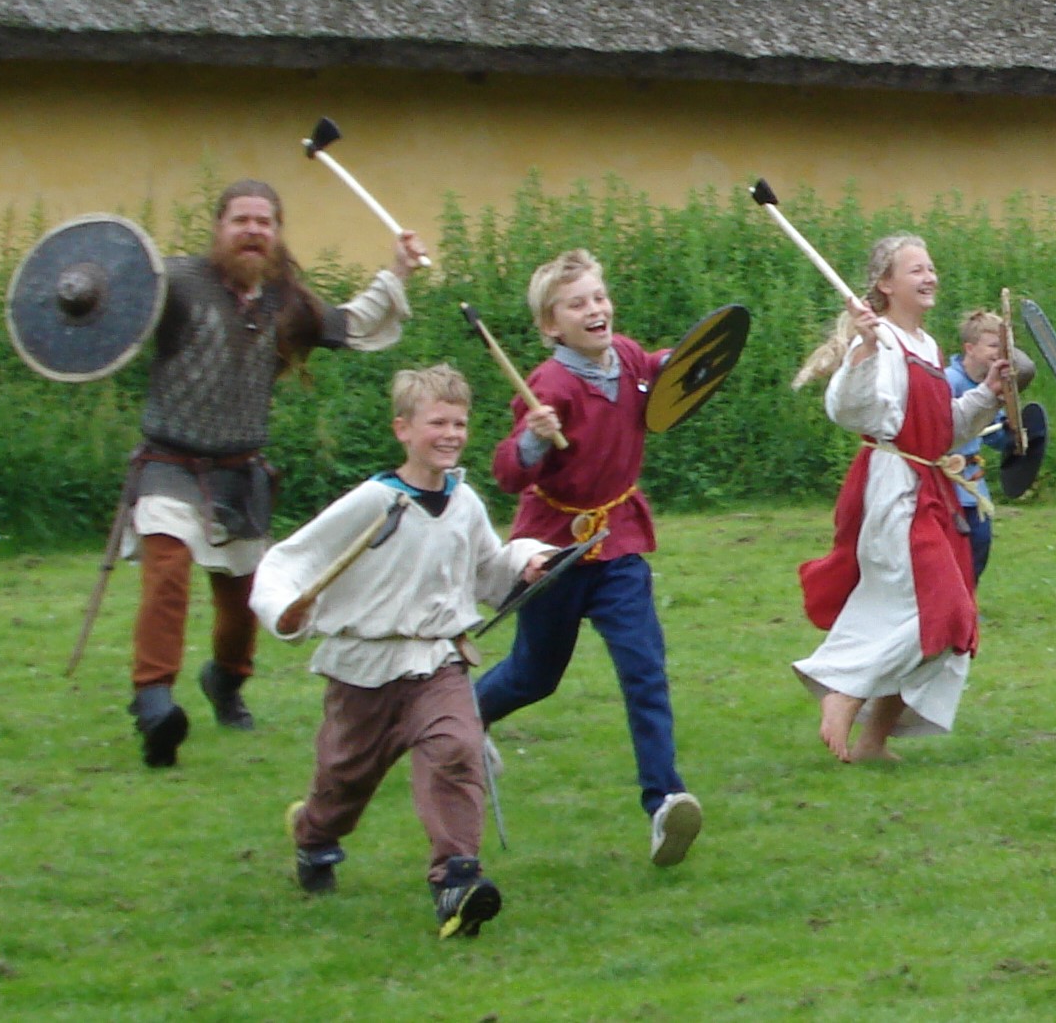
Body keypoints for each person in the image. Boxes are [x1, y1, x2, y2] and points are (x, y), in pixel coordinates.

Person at [122, 179, 423, 767]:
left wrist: (397, 273)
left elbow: (351, 324)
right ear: (219, 229)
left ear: (277, 233)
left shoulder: (285, 300)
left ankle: (226, 680)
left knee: (242, 603)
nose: (253, 230)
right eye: (241, 220)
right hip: (169, 462)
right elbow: (115, 311)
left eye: (264, 221)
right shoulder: (176, 285)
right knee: (167, 570)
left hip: (238, 471)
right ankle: (153, 700)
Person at [252, 366, 551, 938]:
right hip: (364, 671)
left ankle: (457, 883)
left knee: (458, 750)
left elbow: (487, 571)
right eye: (437, 422)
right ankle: (314, 838)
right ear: (403, 430)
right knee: (343, 782)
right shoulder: (372, 502)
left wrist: (527, 563)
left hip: (438, 662)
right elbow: (289, 562)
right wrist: (284, 608)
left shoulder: (463, 503)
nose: (451, 433)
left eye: (460, 423)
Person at [472, 250, 705, 865]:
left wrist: (692, 363)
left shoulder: (626, 357)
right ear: (552, 325)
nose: (594, 309)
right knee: (534, 674)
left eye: (598, 297)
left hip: (619, 541)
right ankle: (464, 716)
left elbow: (660, 377)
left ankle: (664, 801)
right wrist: (529, 440)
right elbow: (504, 474)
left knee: (644, 668)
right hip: (554, 551)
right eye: (577, 303)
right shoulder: (548, 387)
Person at [793, 233, 1009, 763]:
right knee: (942, 611)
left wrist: (986, 395)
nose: (929, 276)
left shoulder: (928, 347)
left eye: (930, 267)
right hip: (894, 490)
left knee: (943, 622)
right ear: (885, 284)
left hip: (930, 487)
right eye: (916, 270)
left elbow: (940, 428)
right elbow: (850, 410)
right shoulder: (883, 342)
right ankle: (844, 690)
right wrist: (863, 352)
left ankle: (872, 741)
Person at [943, 308, 1033, 581]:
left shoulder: (991, 385)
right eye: (993, 345)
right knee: (951, 549)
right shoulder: (949, 380)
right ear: (970, 348)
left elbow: (993, 438)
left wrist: (1013, 435)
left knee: (979, 543)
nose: (999, 353)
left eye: (1003, 347)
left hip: (973, 485)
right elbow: (940, 429)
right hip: (946, 484)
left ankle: (965, 603)